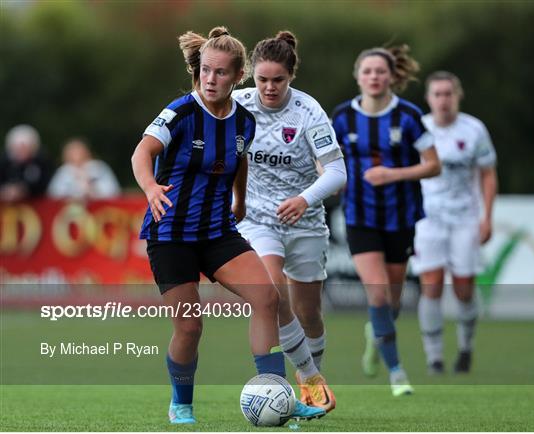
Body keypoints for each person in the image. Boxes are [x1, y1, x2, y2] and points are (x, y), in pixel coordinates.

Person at [131, 26, 325, 424]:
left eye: (220, 73)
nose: (210, 79)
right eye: (205, 70)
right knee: (189, 326)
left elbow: (240, 161)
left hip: (218, 231)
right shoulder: (181, 112)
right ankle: (181, 403)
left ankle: (276, 395)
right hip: (171, 234)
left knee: (267, 299)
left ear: (239, 76)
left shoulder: (244, 120)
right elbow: (142, 151)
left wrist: (239, 200)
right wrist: (150, 186)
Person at [233, 31, 346, 412]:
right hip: (257, 218)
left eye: (277, 80)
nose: (268, 87)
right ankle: (310, 380)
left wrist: (304, 198)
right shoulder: (237, 105)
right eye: (262, 79)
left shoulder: (309, 112)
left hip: (306, 222)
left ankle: (310, 376)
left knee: (309, 312)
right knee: (272, 293)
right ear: (251, 75)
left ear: (291, 76)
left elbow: (336, 172)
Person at [332, 45, 441, 396]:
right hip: (360, 216)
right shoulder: (343, 116)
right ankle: (397, 372)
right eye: (367, 71)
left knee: (391, 302)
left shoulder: (409, 116)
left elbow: (433, 164)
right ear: (357, 76)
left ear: (392, 76)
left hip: (401, 216)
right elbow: (327, 159)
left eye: (380, 71)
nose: (374, 77)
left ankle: (375, 335)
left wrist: (392, 175)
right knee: (378, 295)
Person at [411, 71, 497, 375]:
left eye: (448, 93)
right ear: (429, 98)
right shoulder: (419, 129)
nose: (443, 100)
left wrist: (487, 217)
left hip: (465, 218)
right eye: (437, 94)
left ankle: (466, 347)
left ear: (457, 96)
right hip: (429, 219)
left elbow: (487, 174)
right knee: (431, 286)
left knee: (463, 289)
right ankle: (434, 358)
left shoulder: (474, 130)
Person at [48, 137, 121, 199]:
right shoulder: (63, 171)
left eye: (79, 152)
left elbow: (112, 190)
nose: (77, 156)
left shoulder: (99, 168)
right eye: (73, 153)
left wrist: (92, 189)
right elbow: (54, 193)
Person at [0, 124, 51, 202]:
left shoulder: (41, 163)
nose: (21, 151)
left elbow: (45, 185)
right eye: (18, 147)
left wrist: (23, 190)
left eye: (25, 147)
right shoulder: (4, 163)